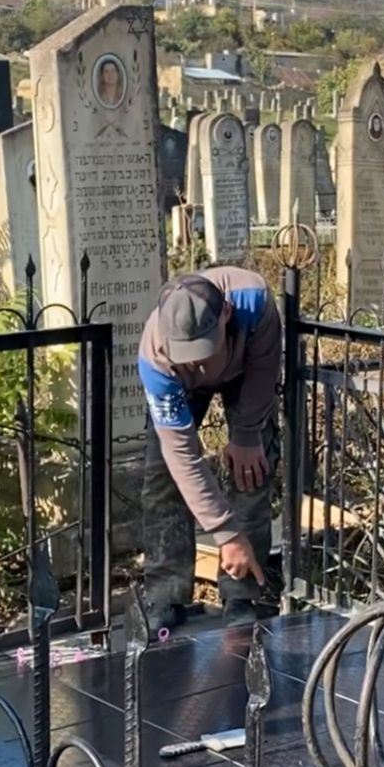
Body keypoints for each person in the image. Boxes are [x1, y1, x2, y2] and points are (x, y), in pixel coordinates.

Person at [138, 267, 281, 629]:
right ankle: (165, 594)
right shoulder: (156, 355)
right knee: (164, 478)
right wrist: (225, 533)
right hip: (180, 386)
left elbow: (264, 371)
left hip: (245, 373)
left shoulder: (255, 302)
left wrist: (247, 434)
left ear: (227, 314)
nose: (196, 361)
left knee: (252, 472)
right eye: (187, 352)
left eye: (203, 347)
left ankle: (242, 594)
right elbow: (182, 457)